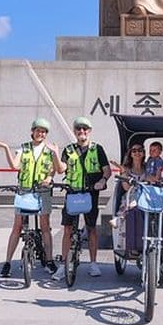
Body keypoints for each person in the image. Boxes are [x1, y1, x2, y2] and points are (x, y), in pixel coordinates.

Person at [0, 117, 64, 278]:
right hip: (24, 191)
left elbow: (56, 169)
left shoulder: (50, 149)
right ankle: (7, 263)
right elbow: (14, 165)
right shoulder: (24, 148)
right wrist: (6, 148)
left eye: (44, 131)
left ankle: (49, 260)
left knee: (45, 226)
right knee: (17, 226)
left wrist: (50, 175)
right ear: (32, 131)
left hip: (42, 191)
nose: (41, 134)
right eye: (38, 130)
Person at [52, 116, 112, 280]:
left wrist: (102, 181)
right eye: (78, 128)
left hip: (90, 194)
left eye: (85, 129)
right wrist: (56, 154)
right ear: (74, 131)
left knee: (91, 228)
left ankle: (93, 263)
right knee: (67, 229)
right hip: (72, 193)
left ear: (89, 131)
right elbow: (61, 169)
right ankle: (63, 265)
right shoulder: (69, 150)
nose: (82, 131)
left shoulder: (97, 149)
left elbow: (107, 170)